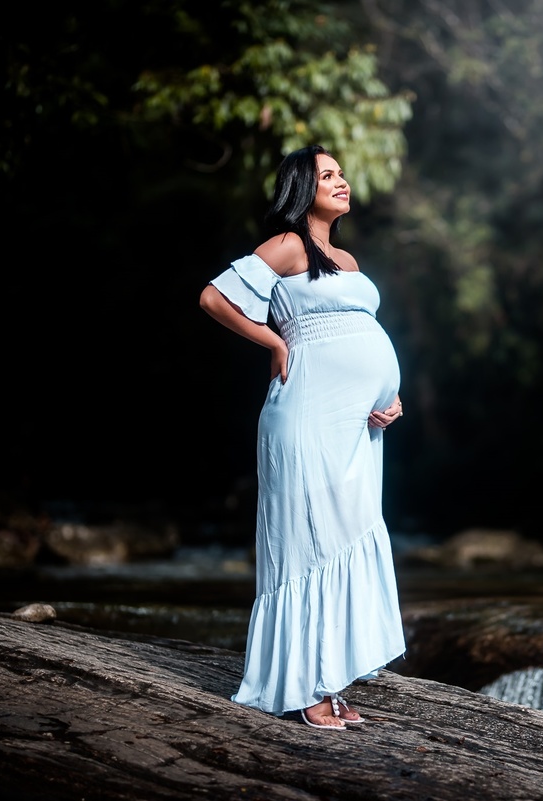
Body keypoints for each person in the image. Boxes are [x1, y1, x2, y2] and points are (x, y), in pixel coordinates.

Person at [199, 145, 406, 730]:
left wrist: (388, 401)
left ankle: (330, 679)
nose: (342, 181)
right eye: (328, 175)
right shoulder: (290, 245)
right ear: (301, 188)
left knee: (345, 534)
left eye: (342, 173)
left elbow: (362, 335)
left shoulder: (348, 258)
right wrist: (275, 342)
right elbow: (215, 298)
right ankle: (301, 685)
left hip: (357, 426)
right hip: (308, 413)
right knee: (308, 541)